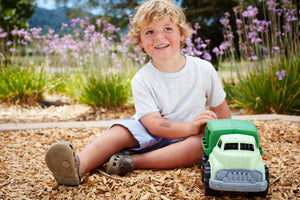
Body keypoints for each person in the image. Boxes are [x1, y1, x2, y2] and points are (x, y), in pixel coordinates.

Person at [45, 0, 231, 186]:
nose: (159, 37)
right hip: (152, 132)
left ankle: (133, 162)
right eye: (150, 32)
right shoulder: (142, 78)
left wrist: (229, 137)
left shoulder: (203, 69)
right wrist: (189, 127)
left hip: (188, 138)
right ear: (141, 42)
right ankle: (77, 166)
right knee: (119, 131)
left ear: (181, 34)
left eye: (167, 29)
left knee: (204, 144)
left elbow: (220, 109)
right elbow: (154, 124)